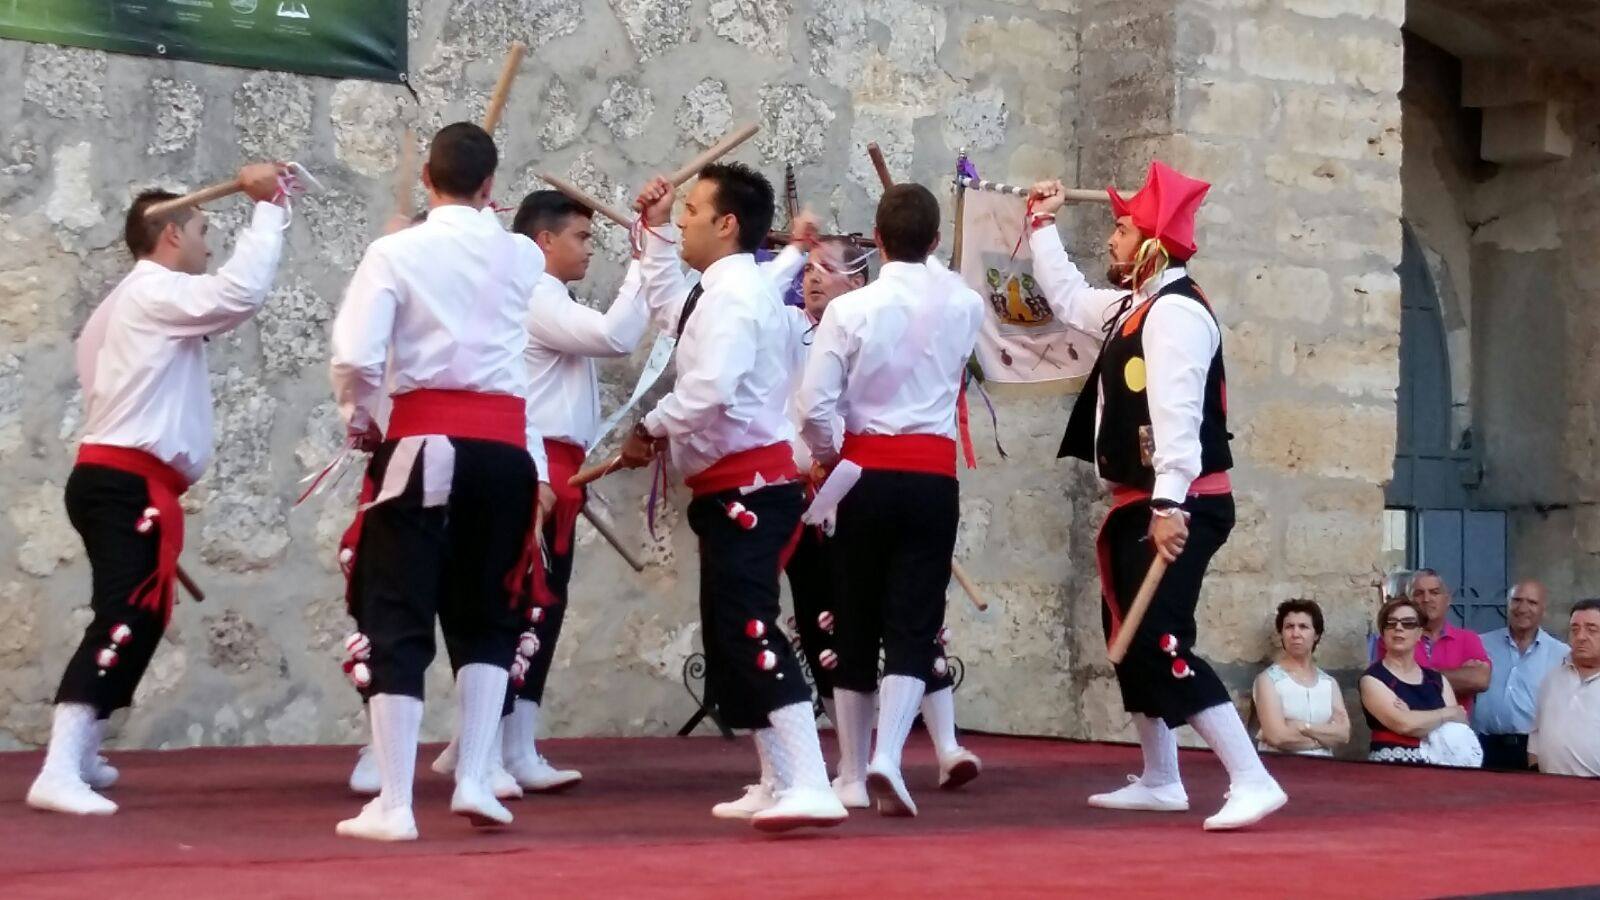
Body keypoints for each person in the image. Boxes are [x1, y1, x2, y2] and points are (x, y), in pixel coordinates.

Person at [24, 164, 291, 817]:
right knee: (125, 613)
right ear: (170, 234)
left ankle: (81, 752)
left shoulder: (123, 308)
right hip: (123, 482)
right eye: (202, 229)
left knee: (140, 614)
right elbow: (239, 294)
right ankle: (59, 766)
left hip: (117, 480)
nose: (209, 243)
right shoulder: (152, 293)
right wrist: (270, 209)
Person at [1027, 162, 1286, 830]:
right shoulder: (1133, 306)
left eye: (1120, 228)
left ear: (1150, 241)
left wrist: (1171, 507)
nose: (1110, 240)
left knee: (1162, 640)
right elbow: (1068, 298)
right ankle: (1161, 775)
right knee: (1129, 634)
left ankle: (1252, 777)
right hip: (1143, 501)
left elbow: (1175, 416)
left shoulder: (1174, 314)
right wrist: (1040, 224)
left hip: (1178, 499)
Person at [329, 122, 550, 841]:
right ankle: (478, 776)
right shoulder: (520, 254)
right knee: (491, 606)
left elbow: (357, 357)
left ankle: (395, 802)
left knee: (397, 603)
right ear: (492, 186)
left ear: (426, 176)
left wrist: (359, 418)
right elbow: (498, 244)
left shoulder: (395, 251)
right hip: (503, 451)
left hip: (422, 440)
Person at [623, 164, 847, 832]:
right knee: (729, 635)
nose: (684, 217)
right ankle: (777, 776)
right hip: (730, 485)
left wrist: (651, 425)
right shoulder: (721, 290)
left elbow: (712, 386)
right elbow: (669, 307)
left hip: (753, 486)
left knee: (749, 626)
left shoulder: (736, 295)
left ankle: (810, 779)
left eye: (692, 209)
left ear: (727, 224)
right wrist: (656, 230)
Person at [797, 184, 985, 817]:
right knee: (914, 619)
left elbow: (814, 404)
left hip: (862, 473)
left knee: (853, 614)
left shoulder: (851, 312)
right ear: (934, 242)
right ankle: (889, 755)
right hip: (933, 475)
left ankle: (852, 771)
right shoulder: (965, 305)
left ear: (875, 240)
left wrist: (827, 452)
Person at [1360, 596, 1469, 764]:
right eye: (1391, 623)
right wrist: (1445, 714)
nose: (1398, 628)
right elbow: (1404, 724)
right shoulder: (1373, 678)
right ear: (1383, 632)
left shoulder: (1437, 680)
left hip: (1438, 770)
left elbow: (1459, 725)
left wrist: (1414, 716)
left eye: (1408, 623)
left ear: (1419, 633)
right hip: (1390, 769)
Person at [1472, 581, 1568, 771]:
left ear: (1543, 609)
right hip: (1484, 747)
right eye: (1516, 600)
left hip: (1531, 752)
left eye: (1532, 602)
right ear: (1507, 604)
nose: (1523, 608)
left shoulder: (1561, 654)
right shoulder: (1481, 644)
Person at [1252, 599, 1349, 757]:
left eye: (1303, 627)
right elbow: (1278, 737)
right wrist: (1324, 738)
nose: (1295, 634)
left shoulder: (1329, 683)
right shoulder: (1268, 680)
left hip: (1323, 770)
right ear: (1281, 634)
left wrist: (1303, 727)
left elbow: (1343, 734)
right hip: (1282, 768)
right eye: (1289, 627)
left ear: (1316, 635)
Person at [1404, 570, 1491, 715]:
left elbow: (1480, 680)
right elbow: (1392, 685)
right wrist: (1459, 676)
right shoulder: (1395, 638)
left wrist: (1414, 677)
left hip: (1454, 732)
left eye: (1434, 592)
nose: (1426, 599)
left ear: (1448, 599)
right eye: (1418, 593)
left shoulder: (1468, 639)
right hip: (1407, 733)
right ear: (1408, 601)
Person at [1529, 599, 1600, 777]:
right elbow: (1537, 733)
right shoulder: (1552, 680)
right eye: (1575, 630)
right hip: (1551, 788)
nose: (1581, 636)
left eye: (1591, 629)